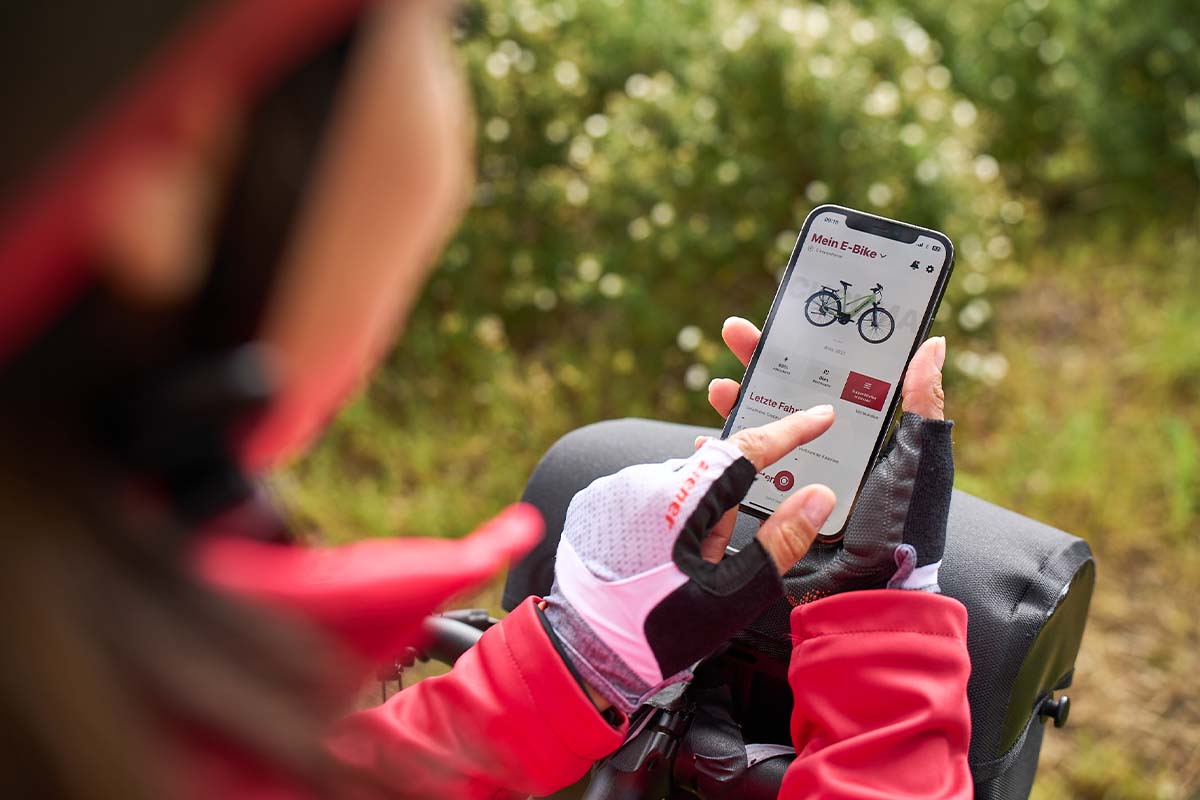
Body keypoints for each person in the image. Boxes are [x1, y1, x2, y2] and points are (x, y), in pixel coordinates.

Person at [0, 1, 970, 798]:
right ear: (178, 163)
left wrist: (584, 658)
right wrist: (882, 642)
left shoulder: (77, 707)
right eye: (437, 30)